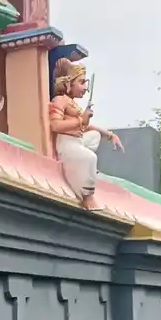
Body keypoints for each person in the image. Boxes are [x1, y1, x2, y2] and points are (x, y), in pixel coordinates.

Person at [49, 58, 120, 209]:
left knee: (95, 136)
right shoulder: (60, 100)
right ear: (68, 83)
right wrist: (81, 120)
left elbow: (87, 126)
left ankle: (85, 167)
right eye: (81, 82)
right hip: (66, 142)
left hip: (77, 140)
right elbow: (55, 125)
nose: (85, 88)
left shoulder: (73, 103)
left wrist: (109, 134)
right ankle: (87, 197)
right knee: (91, 158)